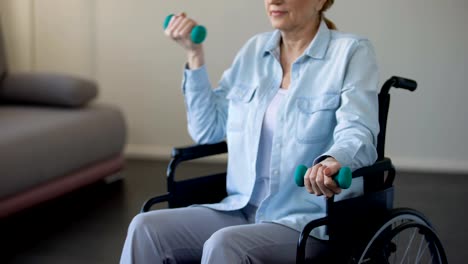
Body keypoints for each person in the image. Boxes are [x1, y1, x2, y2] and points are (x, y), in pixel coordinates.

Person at [120, 0, 379, 263]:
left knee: (225, 244)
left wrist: (334, 160)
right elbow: (207, 129)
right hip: (240, 208)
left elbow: (358, 130)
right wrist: (194, 54)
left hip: (306, 222)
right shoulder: (254, 50)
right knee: (145, 228)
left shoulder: (350, 51)